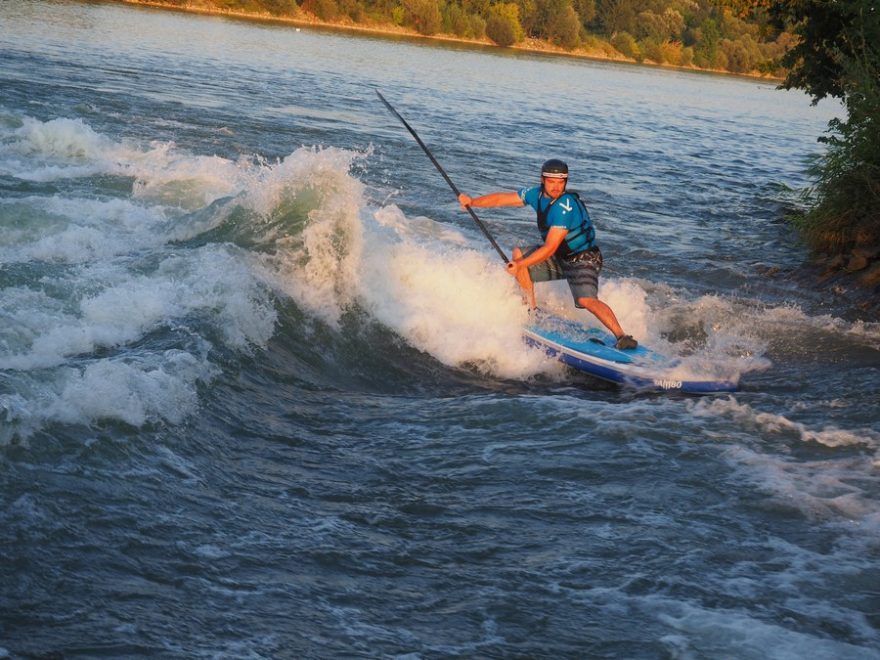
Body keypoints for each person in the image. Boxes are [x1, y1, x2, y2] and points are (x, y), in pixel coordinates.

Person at [458, 158, 638, 350]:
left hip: (584, 259)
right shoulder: (535, 194)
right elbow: (502, 199)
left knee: (586, 300)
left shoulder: (565, 207)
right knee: (518, 253)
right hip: (560, 258)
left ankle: (622, 336)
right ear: (542, 180)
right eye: (552, 181)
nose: (556, 187)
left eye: (561, 182)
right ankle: (532, 312)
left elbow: (550, 247)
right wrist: (472, 202)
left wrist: (520, 265)